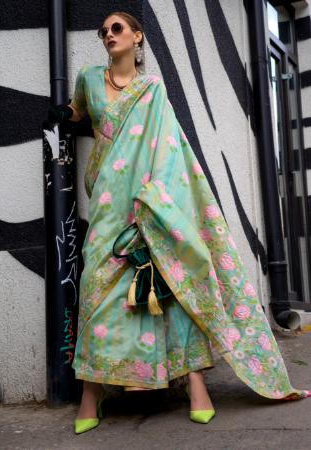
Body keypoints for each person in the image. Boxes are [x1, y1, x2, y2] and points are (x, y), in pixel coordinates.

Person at [48, 11, 311, 435]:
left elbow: (169, 149)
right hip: (107, 205)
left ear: (138, 37)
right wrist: (63, 115)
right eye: (103, 31)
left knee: (173, 281)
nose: (108, 35)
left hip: (149, 200)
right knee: (97, 288)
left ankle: (196, 387)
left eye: (117, 28)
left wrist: (156, 202)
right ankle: (91, 393)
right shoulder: (89, 77)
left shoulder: (152, 90)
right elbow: (79, 113)